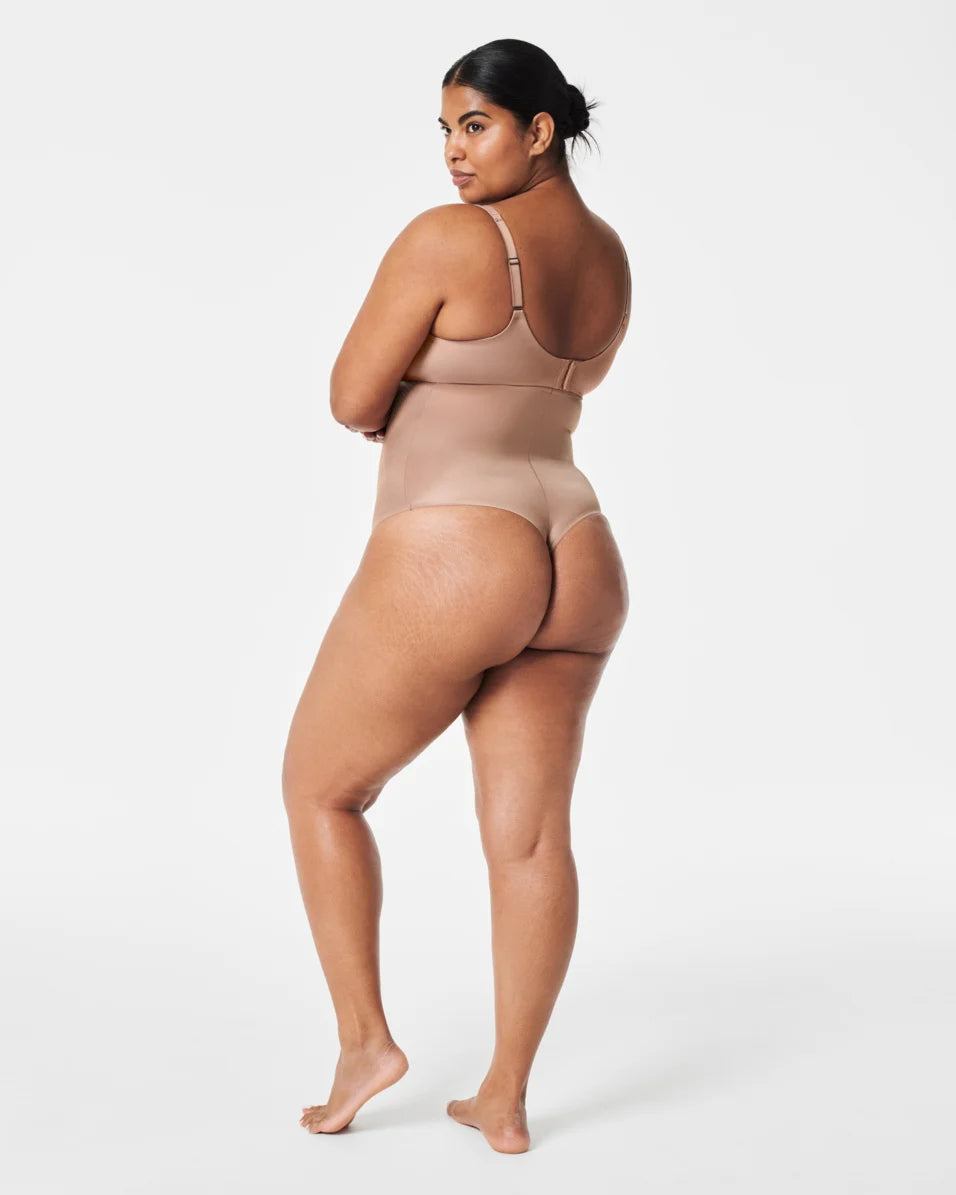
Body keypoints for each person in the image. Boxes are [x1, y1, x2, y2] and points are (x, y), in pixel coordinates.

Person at [282, 38, 632, 1155]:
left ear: (539, 130)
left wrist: (406, 403)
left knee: (320, 790)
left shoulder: (450, 239)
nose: (452, 152)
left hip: (460, 545)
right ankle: (505, 1096)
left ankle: (363, 1043)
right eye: (443, 130)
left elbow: (352, 396)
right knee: (528, 841)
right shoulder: (610, 257)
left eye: (474, 126)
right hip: (578, 549)